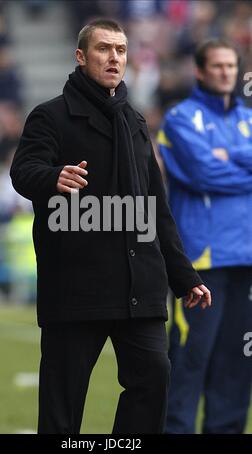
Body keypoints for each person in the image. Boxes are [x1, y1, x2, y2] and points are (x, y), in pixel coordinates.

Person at [10, 19, 211, 435]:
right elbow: (23, 171)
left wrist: (183, 275)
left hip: (141, 286)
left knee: (153, 381)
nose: (114, 57)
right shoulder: (49, 117)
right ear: (81, 57)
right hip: (76, 286)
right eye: (103, 49)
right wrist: (52, 178)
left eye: (120, 50)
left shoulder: (136, 124)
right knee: (62, 406)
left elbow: (156, 209)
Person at [158, 38, 252, 434]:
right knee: (189, 358)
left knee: (237, 362)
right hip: (201, 263)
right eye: (217, 66)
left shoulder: (249, 118)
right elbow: (201, 173)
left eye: (231, 66)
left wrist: (226, 155)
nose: (226, 73)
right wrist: (241, 160)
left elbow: (215, 168)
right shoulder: (180, 119)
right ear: (199, 71)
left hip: (246, 260)